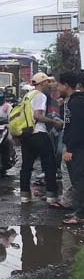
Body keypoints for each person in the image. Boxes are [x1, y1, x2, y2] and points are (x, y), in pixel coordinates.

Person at [19, 72, 64, 206]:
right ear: (42, 83)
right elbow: (38, 116)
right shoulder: (40, 96)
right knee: (49, 164)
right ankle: (51, 196)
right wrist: (53, 122)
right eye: (47, 82)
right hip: (39, 133)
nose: (49, 85)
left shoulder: (27, 95)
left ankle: (25, 196)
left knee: (26, 165)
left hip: (26, 135)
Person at [58, 72, 84, 225]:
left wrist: (70, 149)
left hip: (78, 148)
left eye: (59, 84)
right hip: (76, 147)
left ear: (66, 85)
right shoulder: (72, 101)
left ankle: (81, 215)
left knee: (79, 181)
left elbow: (77, 128)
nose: (58, 87)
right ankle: (79, 210)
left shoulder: (77, 102)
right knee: (77, 181)